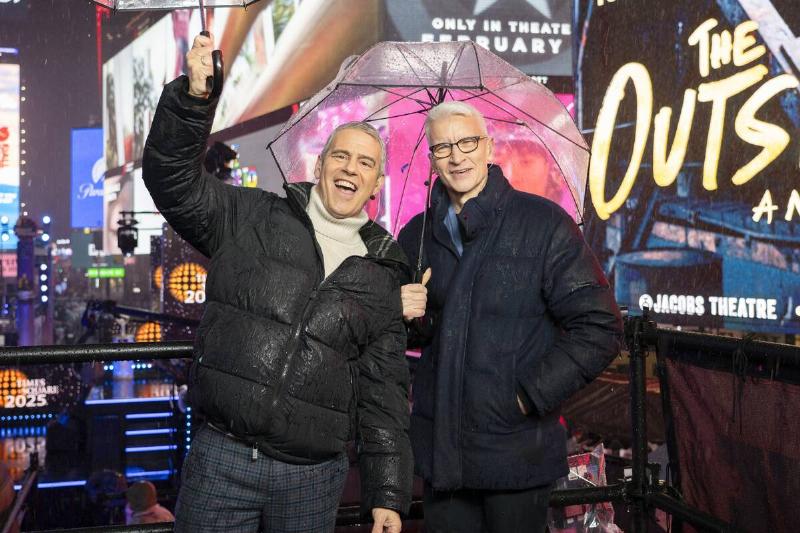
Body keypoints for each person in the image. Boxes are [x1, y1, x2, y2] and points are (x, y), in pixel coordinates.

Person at [142, 33, 412, 533]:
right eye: (341, 156)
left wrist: (387, 495)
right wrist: (193, 98)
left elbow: (383, 396)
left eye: (365, 163)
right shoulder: (252, 216)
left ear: (377, 186)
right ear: (319, 166)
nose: (350, 168)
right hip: (221, 458)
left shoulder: (382, 274)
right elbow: (171, 179)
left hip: (313, 479)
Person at [398, 101, 623, 533]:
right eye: (443, 146)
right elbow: (423, 336)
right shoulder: (417, 235)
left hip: (515, 451)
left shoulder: (543, 224)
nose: (456, 155)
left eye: (467, 142)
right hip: (443, 454)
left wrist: (529, 395)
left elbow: (600, 326)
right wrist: (411, 317)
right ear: (431, 159)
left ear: (488, 148)